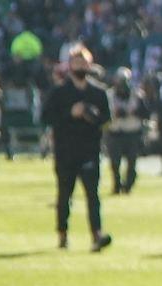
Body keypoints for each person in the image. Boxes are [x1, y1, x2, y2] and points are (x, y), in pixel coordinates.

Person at [42, 45, 112, 251]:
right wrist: (70, 113)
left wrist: (92, 115)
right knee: (65, 194)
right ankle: (62, 234)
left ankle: (96, 234)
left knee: (93, 195)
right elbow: (46, 117)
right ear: (69, 65)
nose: (80, 66)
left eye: (83, 62)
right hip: (65, 150)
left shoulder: (98, 92)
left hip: (89, 149)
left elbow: (107, 120)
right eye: (76, 62)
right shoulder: (60, 92)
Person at [107, 67, 147, 194]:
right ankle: (117, 184)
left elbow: (146, 112)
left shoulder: (138, 95)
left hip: (132, 132)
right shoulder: (109, 95)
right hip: (115, 132)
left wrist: (134, 112)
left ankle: (128, 184)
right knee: (115, 162)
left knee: (132, 162)